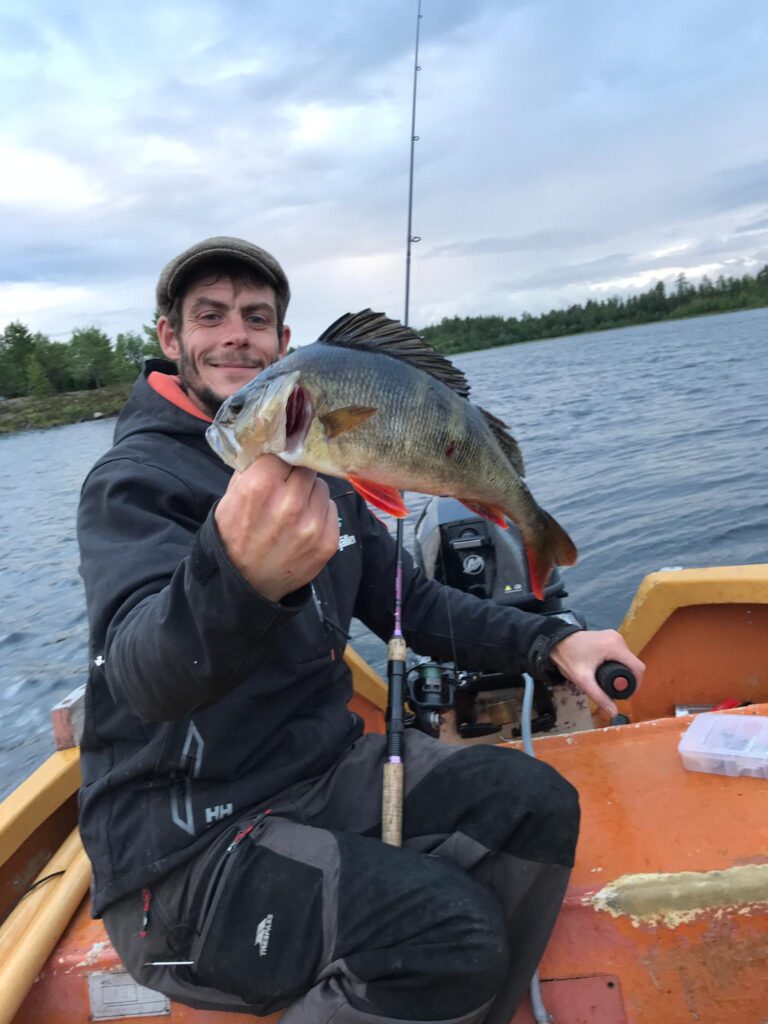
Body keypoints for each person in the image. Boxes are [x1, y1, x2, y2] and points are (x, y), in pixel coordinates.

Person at [77, 236, 644, 1024]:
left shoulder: (325, 470)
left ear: (283, 345)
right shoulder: (133, 484)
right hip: (181, 862)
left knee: (537, 804)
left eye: (257, 319)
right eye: (210, 317)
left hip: (320, 776)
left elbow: (421, 604)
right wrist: (237, 578)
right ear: (172, 340)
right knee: (447, 936)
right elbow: (142, 672)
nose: (235, 334)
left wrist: (549, 641)